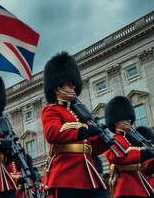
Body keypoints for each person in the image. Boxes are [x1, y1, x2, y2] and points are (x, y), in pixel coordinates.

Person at [41, 51, 108, 198]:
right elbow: (52, 132)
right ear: (57, 88)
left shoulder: (80, 114)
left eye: (74, 85)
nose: (74, 88)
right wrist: (85, 130)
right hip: (66, 174)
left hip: (89, 172)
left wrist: (104, 140)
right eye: (69, 85)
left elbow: (92, 149)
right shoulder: (51, 110)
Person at [104, 96, 154, 198]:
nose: (129, 120)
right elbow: (116, 157)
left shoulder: (134, 141)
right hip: (126, 188)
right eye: (125, 117)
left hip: (142, 187)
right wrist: (142, 154)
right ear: (116, 120)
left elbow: (144, 169)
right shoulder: (114, 139)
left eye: (130, 118)